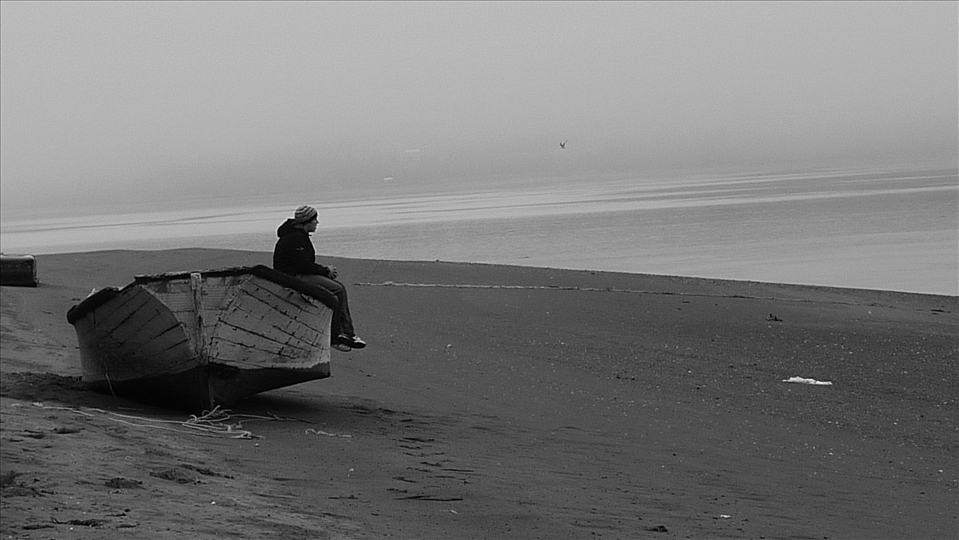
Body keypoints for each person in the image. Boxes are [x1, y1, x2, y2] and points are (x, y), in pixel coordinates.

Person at [273, 205, 366, 352]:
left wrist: (324, 271)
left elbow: (304, 264)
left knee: (335, 287)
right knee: (337, 289)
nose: (317, 222)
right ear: (306, 221)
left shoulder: (297, 235)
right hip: (292, 278)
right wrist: (325, 271)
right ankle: (340, 335)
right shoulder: (295, 238)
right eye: (314, 219)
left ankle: (343, 332)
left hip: (295, 275)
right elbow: (303, 266)